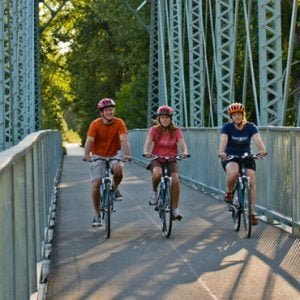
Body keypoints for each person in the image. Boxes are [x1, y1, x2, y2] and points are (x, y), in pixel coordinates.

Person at [83, 98, 131, 227]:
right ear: (102, 113)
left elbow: (123, 139)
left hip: (114, 153)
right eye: (107, 110)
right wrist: (87, 154)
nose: (110, 112)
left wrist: (127, 154)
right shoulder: (95, 124)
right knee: (97, 183)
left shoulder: (119, 122)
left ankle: (115, 189)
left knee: (118, 170)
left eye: (111, 109)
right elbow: (89, 141)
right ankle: (97, 215)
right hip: (98, 155)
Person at [218, 102, 267, 225]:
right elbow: (223, 139)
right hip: (230, 157)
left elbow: (257, 138)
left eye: (239, 114)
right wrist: (222, 151)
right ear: (231, 117)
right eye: (234, 115)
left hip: (246, 157)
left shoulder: (250, 127)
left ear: (243, 115)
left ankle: (252, 213)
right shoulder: (227, 127)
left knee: (251, 181)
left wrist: (262, 150)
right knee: (234, 173)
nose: (237, 117)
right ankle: (229, 191)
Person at [143, 105, 189, 221]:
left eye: (167, 117)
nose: (165, 120)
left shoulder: (176, 131)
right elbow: (148, 142)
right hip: (157, 158)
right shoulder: (154, 130)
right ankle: (154, 192)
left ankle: (175, 209)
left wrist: (185, 152)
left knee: (176, 180)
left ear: (171, 118)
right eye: (162, 117)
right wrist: (146, 151)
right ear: (159, 118)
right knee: (157, 174)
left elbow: (182, 143)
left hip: (172, 158)